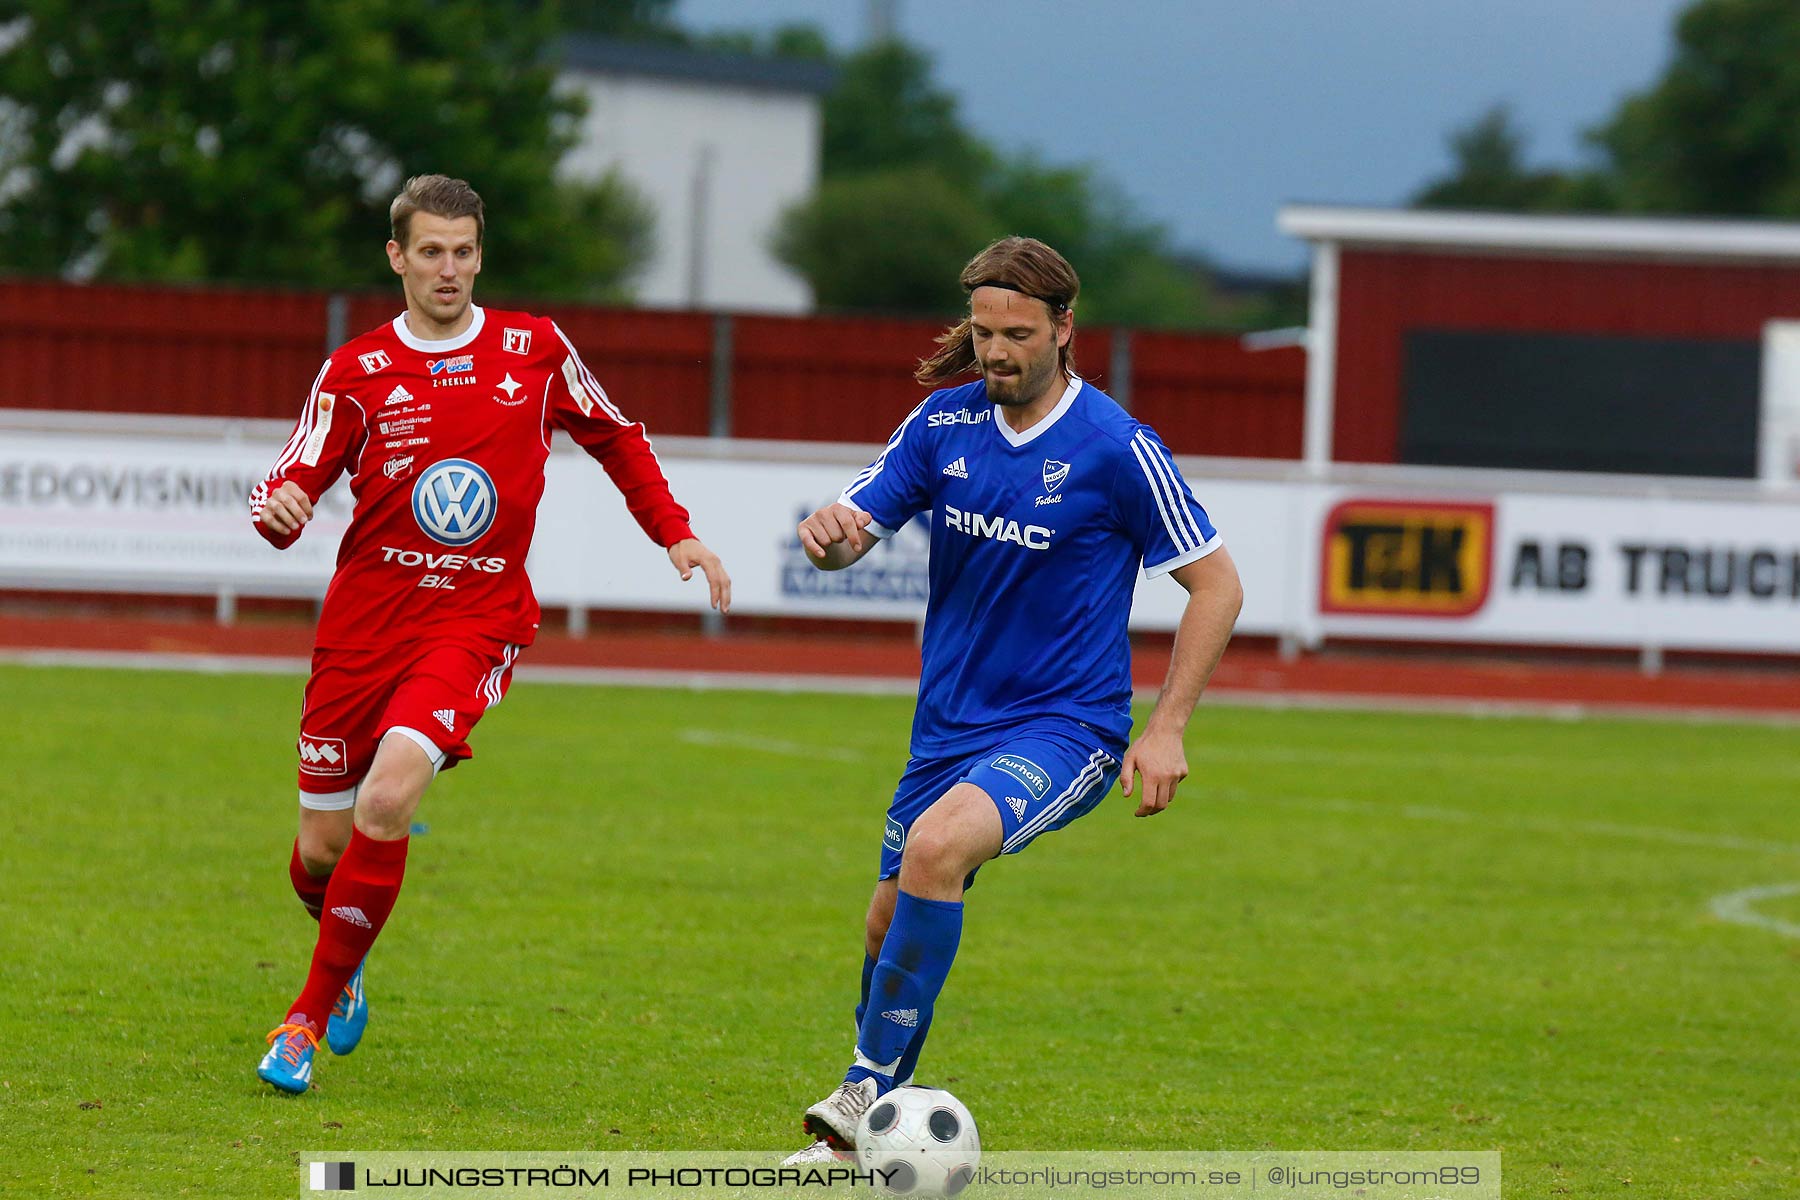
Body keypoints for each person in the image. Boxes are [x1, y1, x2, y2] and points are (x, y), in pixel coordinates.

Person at [248, 174, 730, 1094]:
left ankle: (302, 1022)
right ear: (397, 257)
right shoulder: (355, 370)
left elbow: (619, 437)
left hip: (473, 622)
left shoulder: (535, 349)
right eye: (430, 250)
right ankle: (342, 968)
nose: (449, 269)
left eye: (464, 251)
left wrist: (677, 532)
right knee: (319, 851)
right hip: (362, 627)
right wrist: (279, 512)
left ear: (481, 253)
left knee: (387, 802)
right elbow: (291, 478)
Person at [785, 236, 1241, 1158]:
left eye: (1019, 334)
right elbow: (852, 536)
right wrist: (828, 538)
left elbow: (1218, 585)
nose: (996, 351)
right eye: (984, 331)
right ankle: (862, 1145)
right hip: (946, 728)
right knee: (888, 915)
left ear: (1065, 328)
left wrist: (1166, 729)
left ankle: (861, 1094)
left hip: (1067, 727)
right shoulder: (941, 426)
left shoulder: (1116, 448)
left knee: (938, 847)